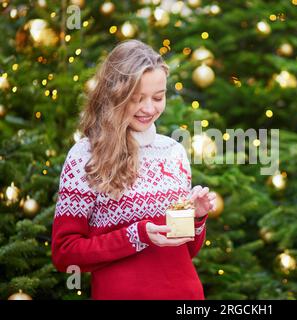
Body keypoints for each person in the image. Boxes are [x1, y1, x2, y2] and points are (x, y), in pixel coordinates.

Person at [51, 39, 216, 300]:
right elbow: (65, 254)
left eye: (158, 97)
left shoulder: (173, 152)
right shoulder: (85, 156)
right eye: (137, 99)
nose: (150, 109)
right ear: (115, 95)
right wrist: (137, 235)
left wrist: (195, 218)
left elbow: (185, 250)